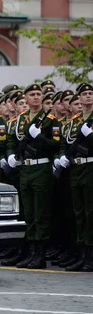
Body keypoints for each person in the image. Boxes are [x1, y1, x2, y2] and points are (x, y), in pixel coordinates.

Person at [6, 83, 61, 269]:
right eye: (32, 94)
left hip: (41, 168)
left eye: (39, 94)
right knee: (29, 214)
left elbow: (56, 145)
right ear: (26, 98)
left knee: (41, 213)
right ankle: (31, 253)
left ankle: (40, 255)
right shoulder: (19, 120)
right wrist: (11, 155)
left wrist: (39, 137)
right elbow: (11, 140)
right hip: (25, 170)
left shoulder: (50, 120)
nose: (36, 97)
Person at [56, 83, 93, 271]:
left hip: (91, 167)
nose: (87, 96)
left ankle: (90, 256)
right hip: (75, 170)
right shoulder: (74, 121)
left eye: (90, 93)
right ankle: (81, 254)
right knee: (78, 213)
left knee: (90, 213)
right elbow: (64, 142)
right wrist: (62, 155)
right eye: (84, 94)